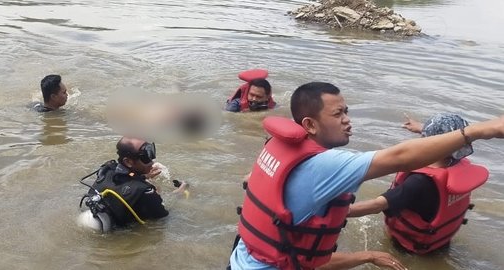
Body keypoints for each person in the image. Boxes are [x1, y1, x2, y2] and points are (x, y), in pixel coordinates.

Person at [228, 82, 504, 270]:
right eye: (338, 114)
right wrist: (481, 130)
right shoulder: (325, 166)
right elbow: (399, 157)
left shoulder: (278, 148)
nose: (348, 119)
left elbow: (297, 251)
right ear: (309, 124)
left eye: (346, 111)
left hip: (242, 259)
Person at [348, 113, 489, 254]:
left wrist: (339, 211)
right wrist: (422, 128)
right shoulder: (458, 169)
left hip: (407, 249)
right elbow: (449, 143)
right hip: (441, 244)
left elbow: (377, 205)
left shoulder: (419, 182)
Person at [79, 137, 187, 232]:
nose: (152, 160)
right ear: (128, 162)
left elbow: (122, 180)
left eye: (151, 151)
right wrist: (179, 193)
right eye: (145, 156)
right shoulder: (145, 192)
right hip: (115, 238)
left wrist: (145, 176)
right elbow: (162, 217)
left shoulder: (107, 170)